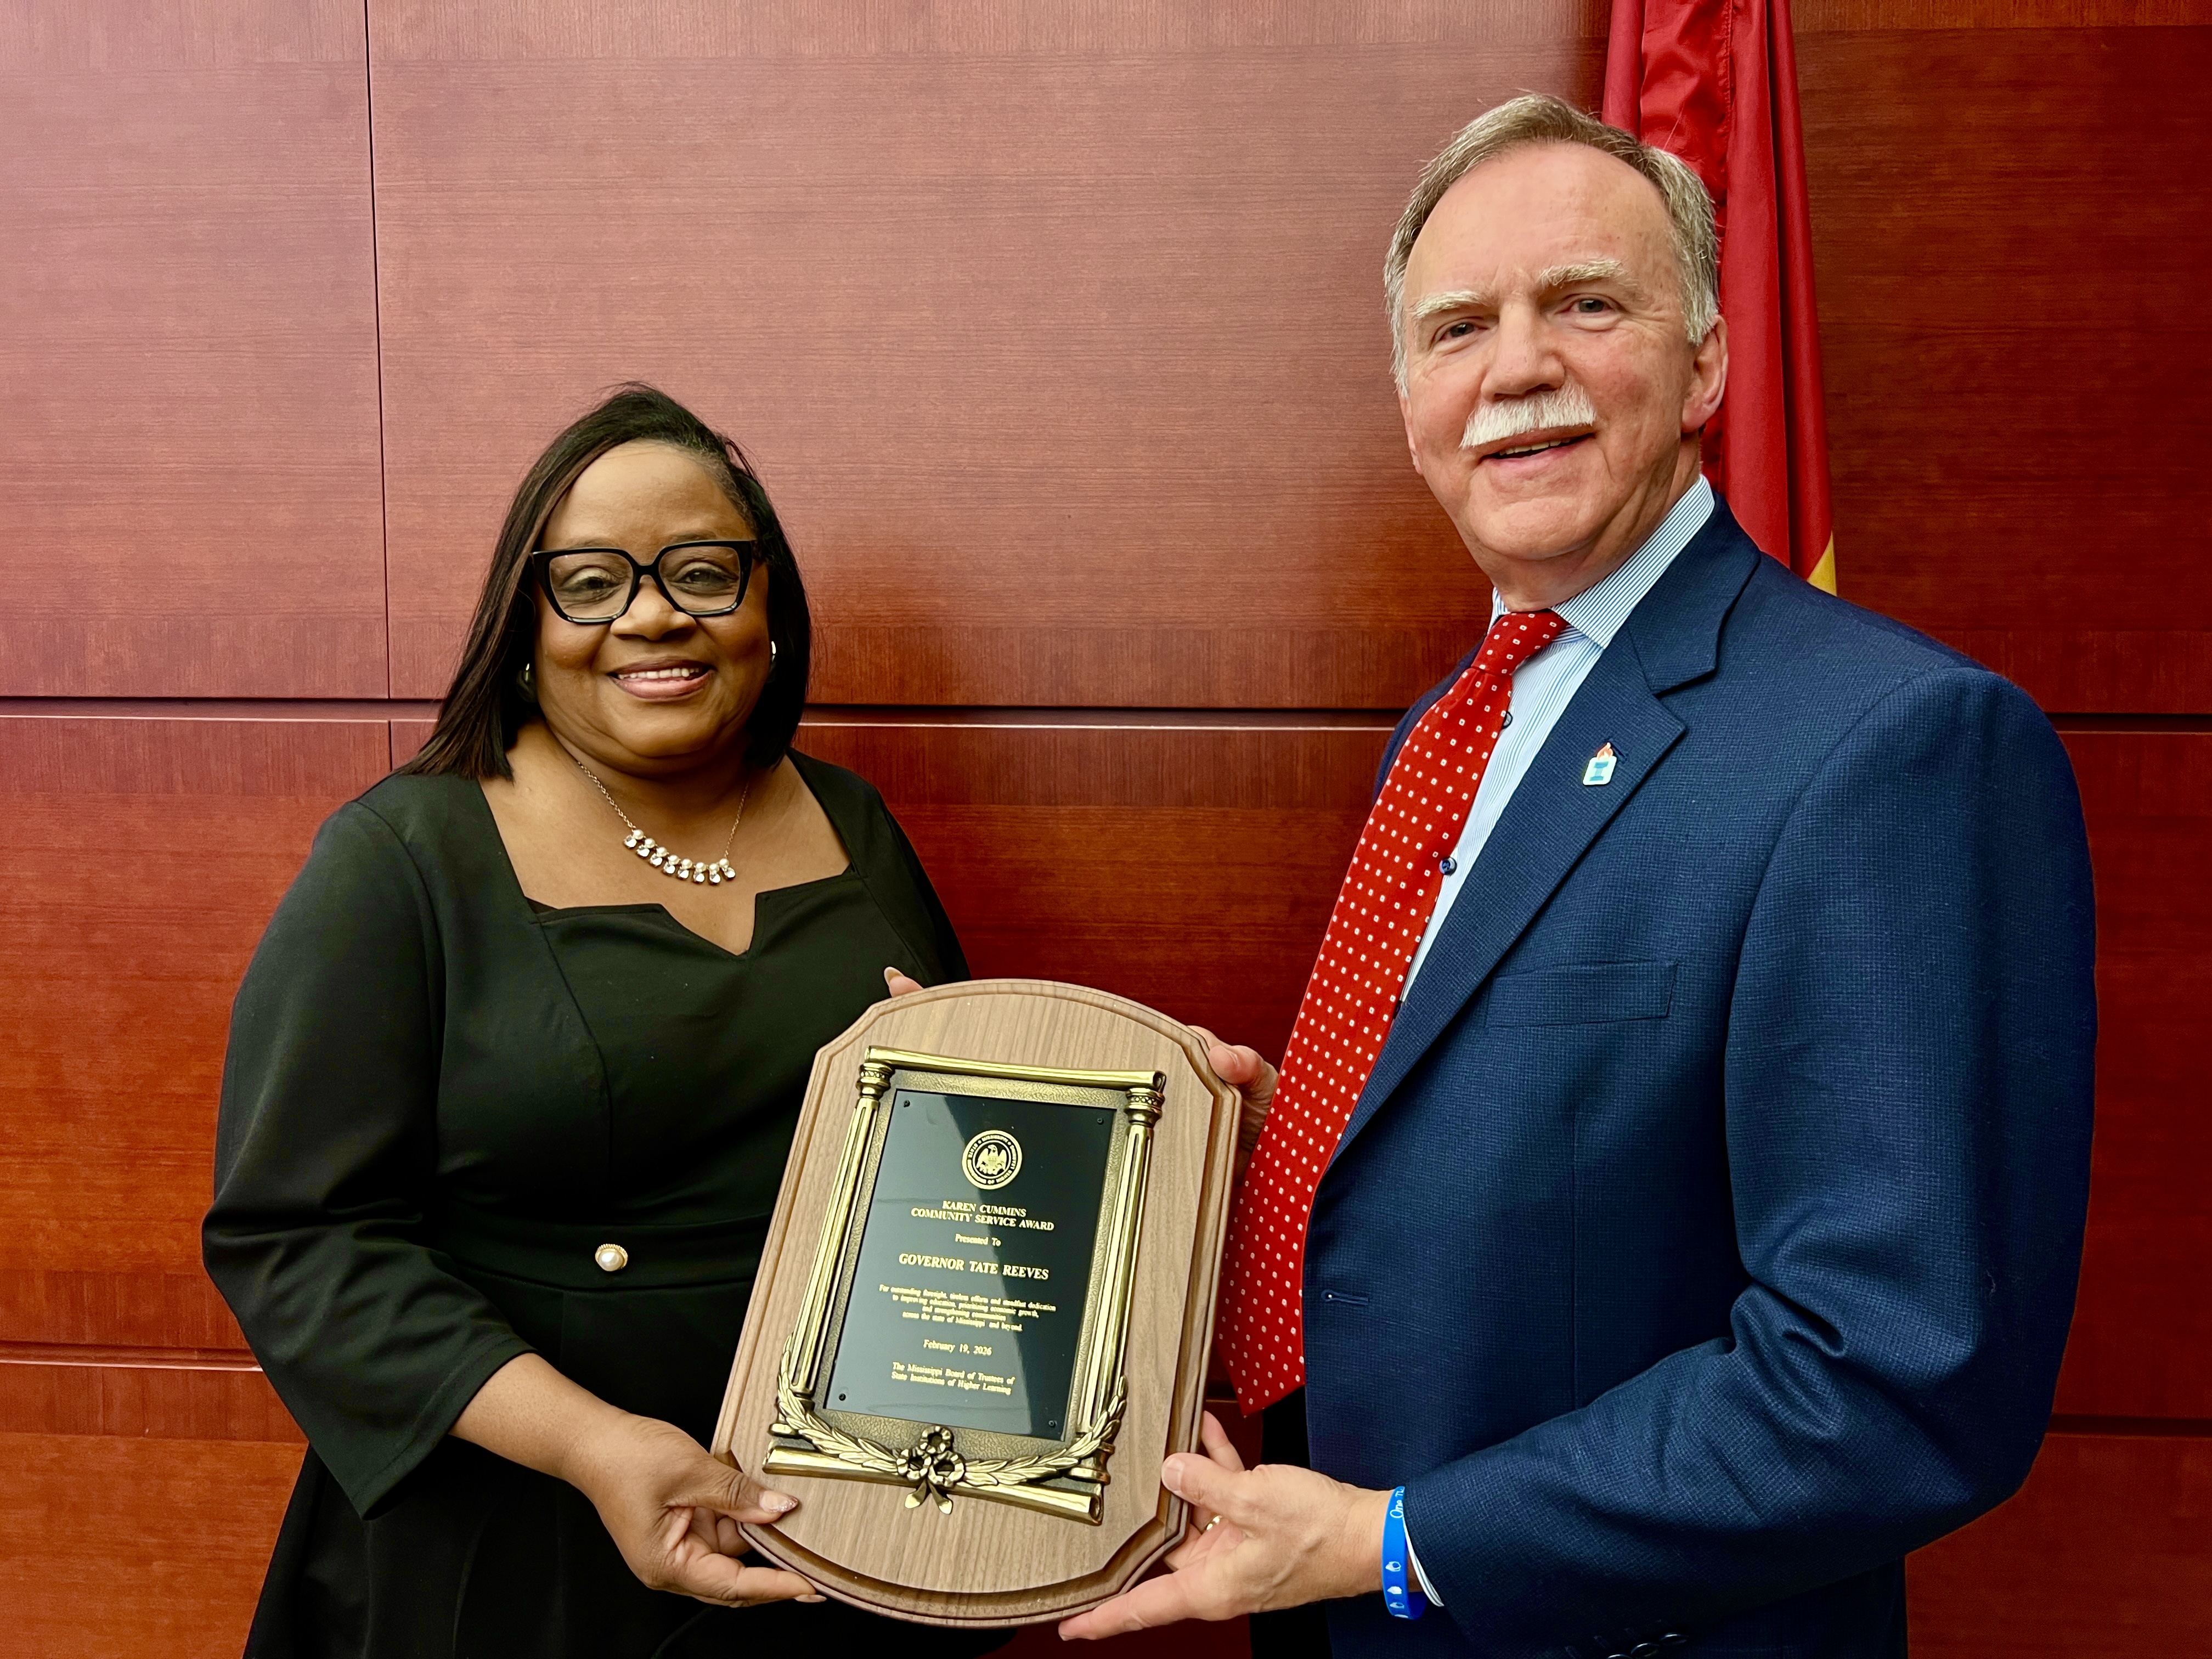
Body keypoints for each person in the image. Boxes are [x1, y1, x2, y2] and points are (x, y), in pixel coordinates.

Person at [1063, 95, 2096, 1658]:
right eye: (1458, 328)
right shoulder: (1455, 725)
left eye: (1586, 305)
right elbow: (1561, 1141)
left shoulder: (1895, 744)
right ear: (1410, 396)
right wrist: (1305, 1145)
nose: (1516, 369)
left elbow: (1893, 1377)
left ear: (1709, 365)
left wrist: (1397, 1544)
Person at [204, 385, 1006, 1659]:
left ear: (768, 608)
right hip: (519, 1550)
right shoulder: (403, 859)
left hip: (834, 1532)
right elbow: (298, 1242)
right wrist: (593, 1447)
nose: (652, 615)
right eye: (590, 583)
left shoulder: (855, 827)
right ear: (524, 623)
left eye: (703, 572)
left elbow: (976, 1175)